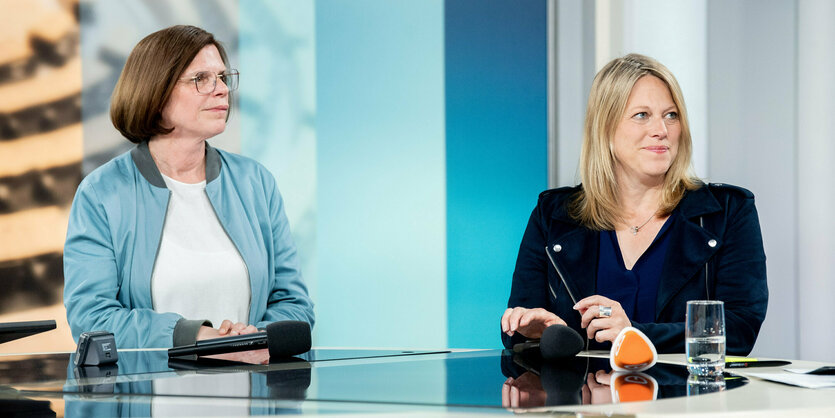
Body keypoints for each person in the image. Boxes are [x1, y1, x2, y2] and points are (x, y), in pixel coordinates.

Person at [63, 25, 314, 349]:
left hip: (251, 391)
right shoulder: (101, 194)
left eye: (223, 77)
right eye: (201, 79)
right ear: (156, 91)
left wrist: (251, 341)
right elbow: (92, 319)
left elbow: (295, 305)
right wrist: (198, 339)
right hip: (145, 395)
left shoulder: (256, 183)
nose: (222, 89)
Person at [500, 53, 767, 355]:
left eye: (671, 115)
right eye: (642, 115)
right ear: (605, 128)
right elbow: (522, 327)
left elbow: (740, 328)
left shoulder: (728, 211)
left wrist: (635, 335)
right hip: (581, 401)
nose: (662, 130)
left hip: (683, 400)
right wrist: (532, 331)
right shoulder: (553, 216)